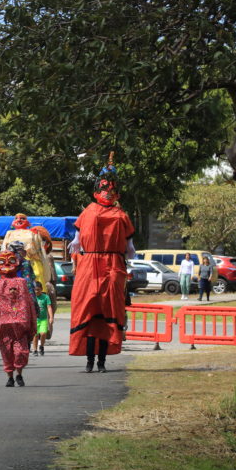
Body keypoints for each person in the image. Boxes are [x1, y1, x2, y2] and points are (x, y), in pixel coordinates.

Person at [68, 154, 135, 373]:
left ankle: (102, 362)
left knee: (109, 310)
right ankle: (89, 361)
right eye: (104, 187)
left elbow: (128, 240)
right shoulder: (89, 210)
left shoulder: (119, 213)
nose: (107, 192)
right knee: (88, 306)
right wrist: (77, 241)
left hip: (112, 263)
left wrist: (129, 247)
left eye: (111, 188)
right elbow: (79, 232)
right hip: (91, 263)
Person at [0, 250, 37, 387]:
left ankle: (19, 374)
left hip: (21, 324)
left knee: (21, 352)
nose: (7, 263)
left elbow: (29, 303)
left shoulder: (22, 282)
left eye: (11, 260)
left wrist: (33, 324)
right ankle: (10, 376)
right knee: (6, 352)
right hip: (4, 325)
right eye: (3, 261)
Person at [31, 281, 54, 356]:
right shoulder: (32, 297)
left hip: (43, 319)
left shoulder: (45, 297)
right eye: (35, 289)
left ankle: (41, 346)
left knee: (43, 333)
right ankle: (34, 349)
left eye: (38, 289)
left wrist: (51, 317)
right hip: (34, 320)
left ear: (41, 289)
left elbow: (49, 307)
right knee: (35, 335)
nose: (36, 291)